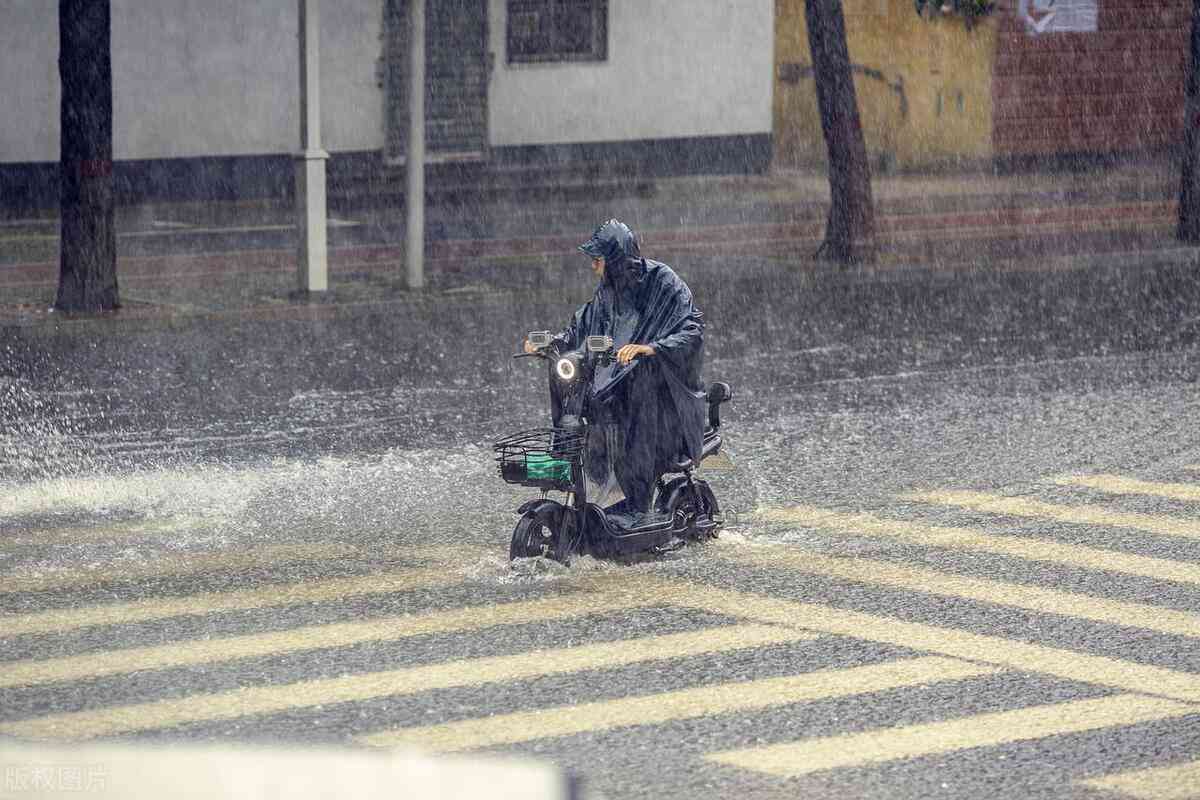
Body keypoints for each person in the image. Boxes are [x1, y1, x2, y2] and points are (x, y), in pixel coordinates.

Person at [523, 219, 706, 526]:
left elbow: (691, 329)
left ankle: (639, 504)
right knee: (569, 381)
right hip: (615, 386)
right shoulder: (606, 294)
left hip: (663, 394)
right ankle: (582, 471)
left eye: (598, 261)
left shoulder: (663, 282)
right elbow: (581, 329)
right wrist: (552, 344)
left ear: (616, 262)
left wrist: (652, 349)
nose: (593, 267)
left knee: (641, 387)